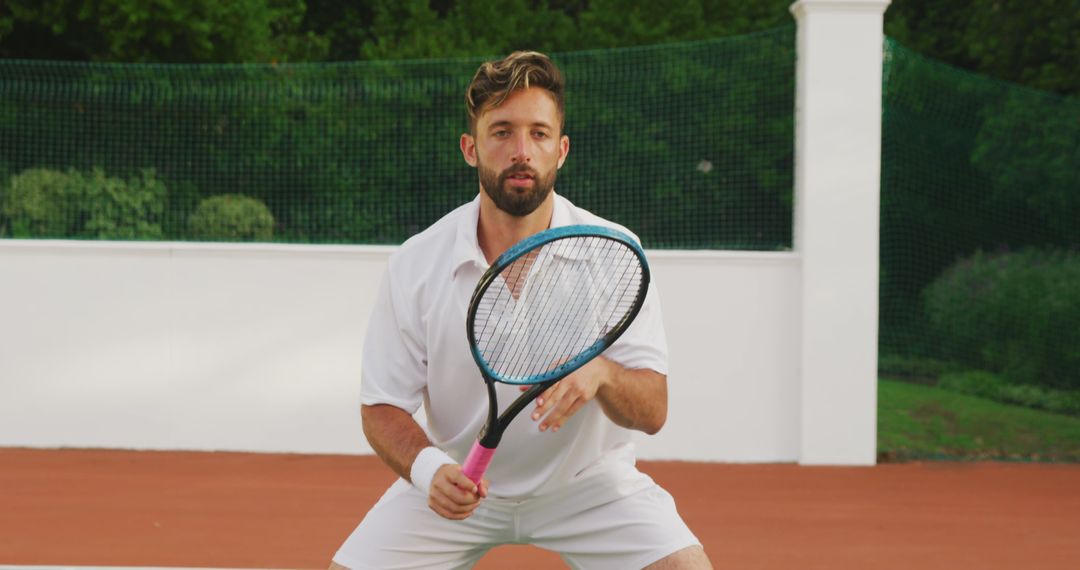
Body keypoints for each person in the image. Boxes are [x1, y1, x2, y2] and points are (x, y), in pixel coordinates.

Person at [331, 51, 713, 570]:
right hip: (459, 480)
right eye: (502, 132)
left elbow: (652, 411)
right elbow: (381, 406)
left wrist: (601, 373)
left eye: (538, 133)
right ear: (471, 148)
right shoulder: (415, 263)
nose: (521, 151)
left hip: (591, 489)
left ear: (562, 149)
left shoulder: (614, 251)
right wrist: (427, 472)